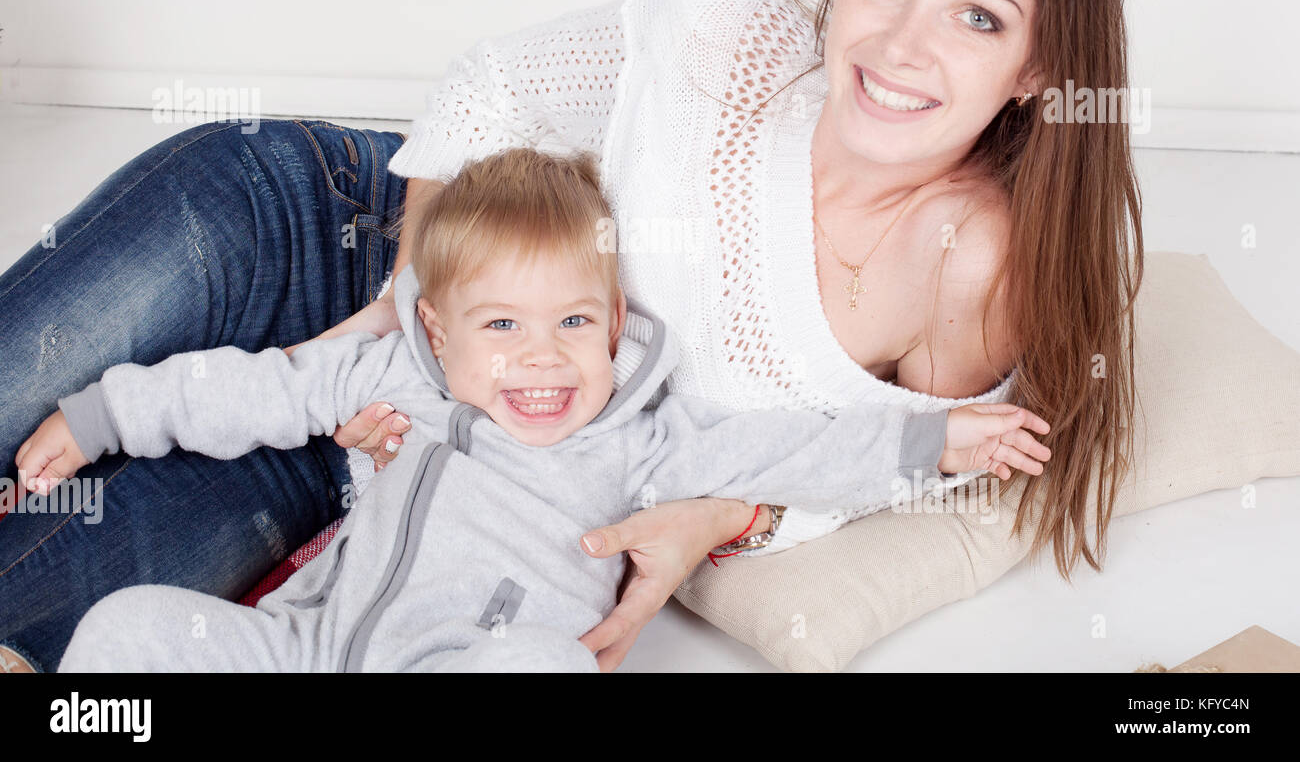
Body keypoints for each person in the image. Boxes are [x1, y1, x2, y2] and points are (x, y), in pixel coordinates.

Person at [0, 0, 1141, 673]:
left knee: (47, 613)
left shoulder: (965, 262)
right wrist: (408, 302)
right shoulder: (734, 35)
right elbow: (493, 87)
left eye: (976, 13)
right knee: (24, 394)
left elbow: (874, 460)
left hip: (393, 468)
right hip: (338, 246)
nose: (899, 41)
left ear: (1039, 65)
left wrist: (715, 519)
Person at [37, 148, 1050, 672]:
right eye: (501, 327)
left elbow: (791, 447)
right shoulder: (392, 378)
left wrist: (938, 435)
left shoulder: (643, 437)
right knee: (129, 628)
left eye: (571, 319)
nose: (541, 358)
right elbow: (251, 389)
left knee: (539, 666)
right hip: (313, 650)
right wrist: (101, 416)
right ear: (436, 331)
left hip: (473, 661)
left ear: (612, 319)